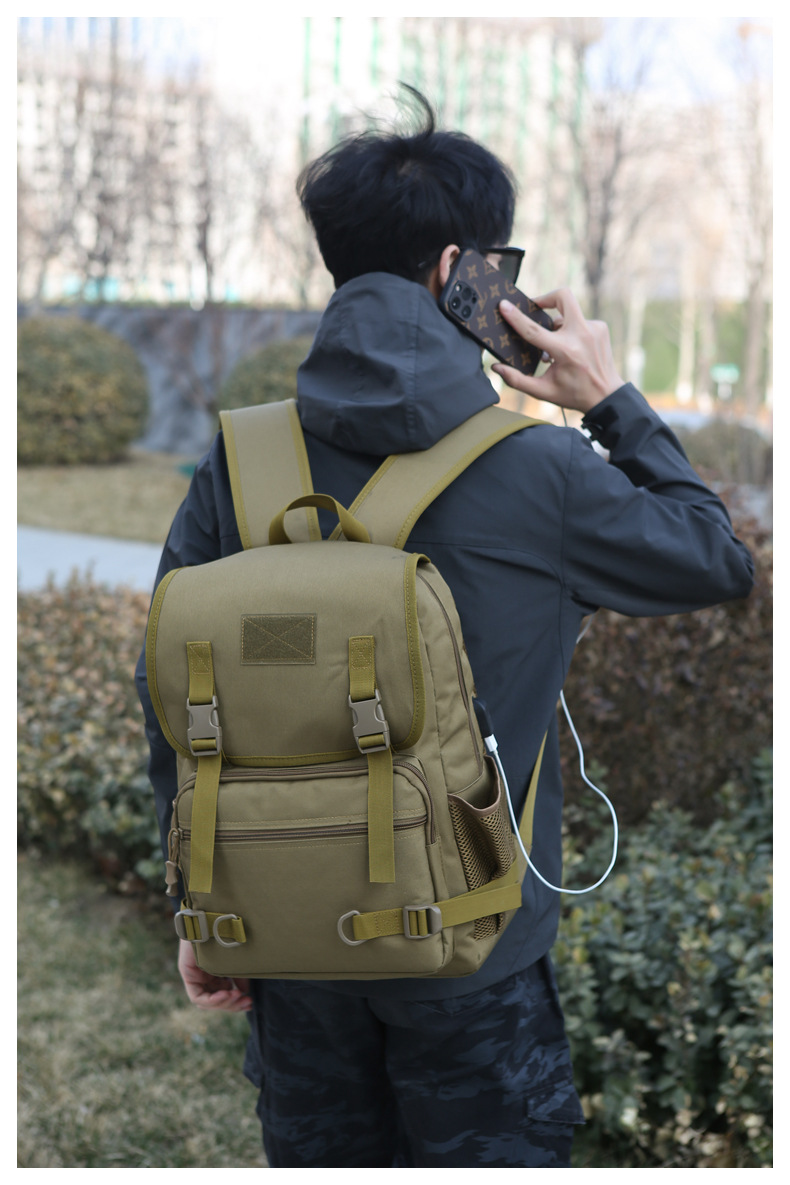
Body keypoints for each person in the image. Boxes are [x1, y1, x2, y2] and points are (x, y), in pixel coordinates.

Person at [135, 89, 754, 1168]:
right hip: (477, 953)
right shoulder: (541, 468)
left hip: (291, 939)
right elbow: (715, 558)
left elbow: (174, 703)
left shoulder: (241, 459)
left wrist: (203, 907)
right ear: (459, 270)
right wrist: (608, 398)